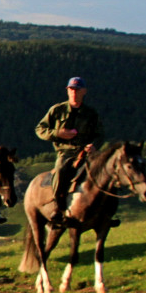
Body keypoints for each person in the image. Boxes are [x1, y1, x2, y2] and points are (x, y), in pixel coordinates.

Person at [35, 76, 104, 217]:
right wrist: (58, 133)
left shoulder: (91, 113)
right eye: (71, 89)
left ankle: (106, 211)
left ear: (84, 91)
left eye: (77, 90)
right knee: (60, 171)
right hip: (65, 153)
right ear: (67, 91)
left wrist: (94, 146)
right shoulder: (57, 110)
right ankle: (58, 207)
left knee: (105, 172)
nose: (74, 92)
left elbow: (100, 134)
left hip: (86, 153)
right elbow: (40, 129)